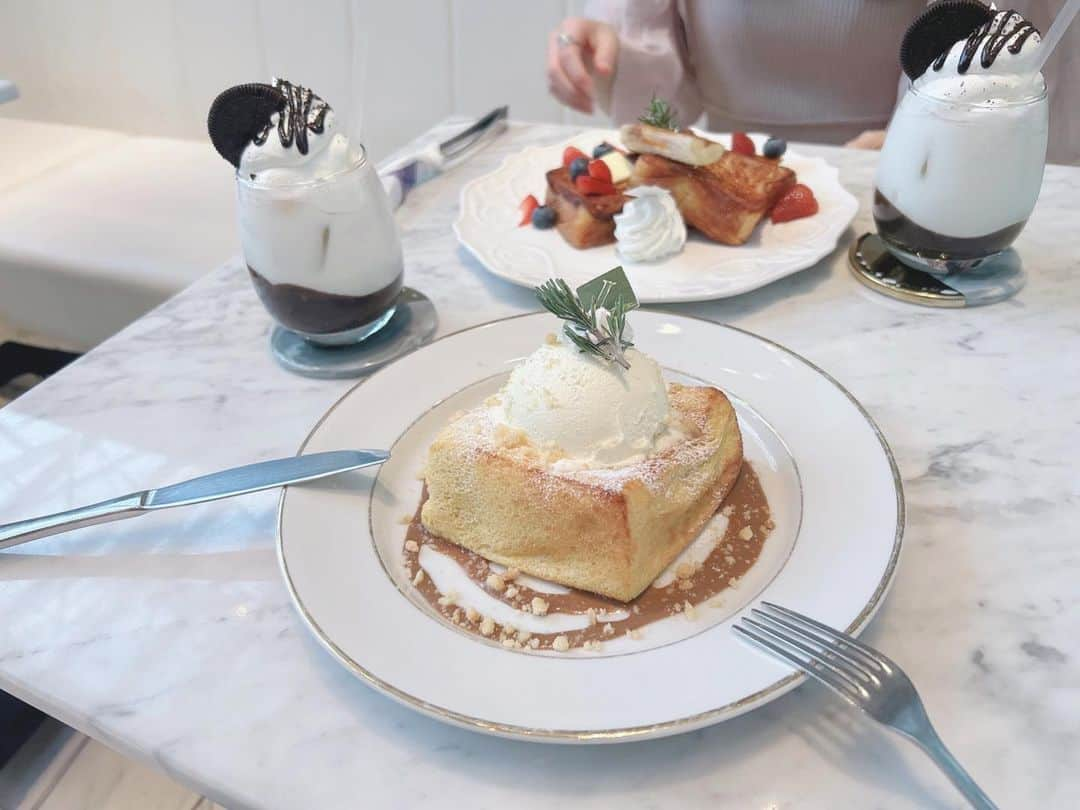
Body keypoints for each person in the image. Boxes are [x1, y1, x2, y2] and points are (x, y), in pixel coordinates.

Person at [547, 1, 1077, 164]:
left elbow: (1000, 41)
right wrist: (605, 47)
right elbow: (660, 111)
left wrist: (933, 131)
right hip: (734, 175)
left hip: (907, 178)